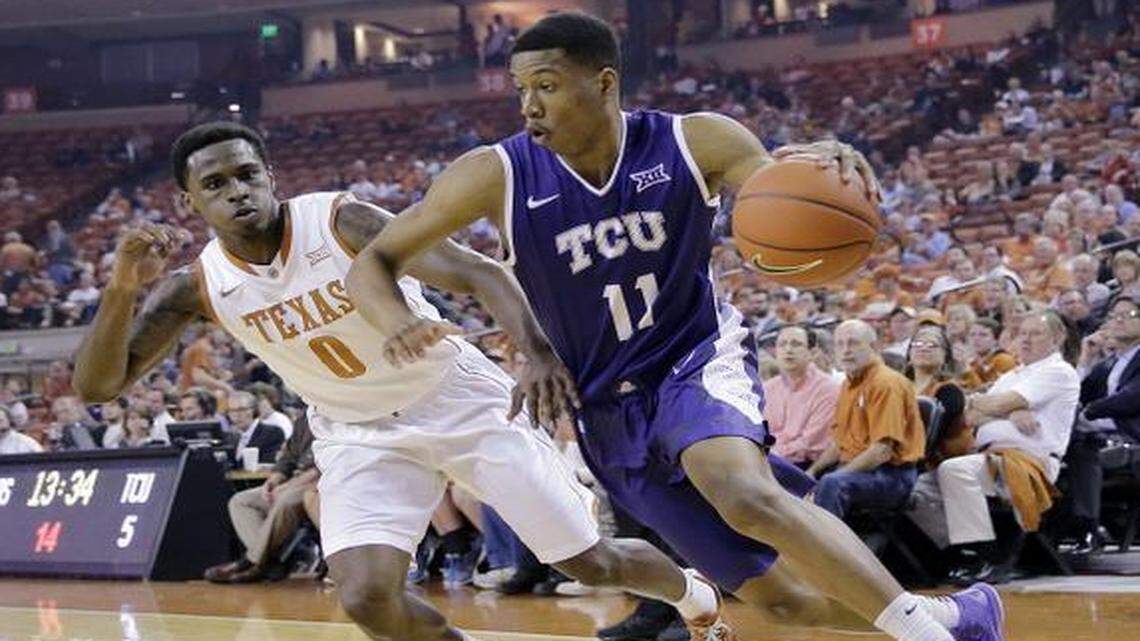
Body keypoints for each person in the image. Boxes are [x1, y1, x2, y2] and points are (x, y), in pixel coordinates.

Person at [354, 12, 1003, 641]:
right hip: (604, 403)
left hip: (693, 356)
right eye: (522, 89)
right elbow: (374, 259)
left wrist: (827, 168)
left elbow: (787, 192)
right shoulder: (496, 173)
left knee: (741, 491)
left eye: (546, 86)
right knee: (782, 601)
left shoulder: (697, 141)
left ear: (604, 83)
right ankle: (955, 617)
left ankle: (926, 635)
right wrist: (408, 323)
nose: (529, 105)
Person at [72, 121, 735, 641]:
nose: (237, 191)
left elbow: (480, 272)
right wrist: (120, 291)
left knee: (590, 562)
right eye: (216, 184)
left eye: (247, 174)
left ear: (270, 175)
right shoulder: (199, 287)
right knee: (366, 595)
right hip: (359, 434)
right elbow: (98, 387)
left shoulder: (338, 221)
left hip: (458, 401)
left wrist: (534, 351)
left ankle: (690, 591)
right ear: (190, 201)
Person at [909, 312, 1080, 584]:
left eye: (1035, 334)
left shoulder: (1058, 371)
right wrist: (1012, 413)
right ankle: (957, 552)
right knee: (917, 489)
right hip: (989, 459)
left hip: (1029, 461)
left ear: (1057, 339)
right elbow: (970, 416)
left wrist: (996, 405)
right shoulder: (1013, 374)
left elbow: (990, 405)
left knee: (954, 470)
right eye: (1022, 333)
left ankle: (985, 555)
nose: (1025, 339)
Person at [806, 321, 925, 520]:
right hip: (861, 469)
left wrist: (836, 474)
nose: (846, 351)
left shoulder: (885, 383)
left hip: (892, 475)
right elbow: (839, 444)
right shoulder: (848, 383)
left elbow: (881, 452)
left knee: (832, 483)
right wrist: (811, 471)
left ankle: (824, 549)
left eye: (853, 343)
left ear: (873, 347)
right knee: (798, 478)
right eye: (840, 344)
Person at [205, 413, 318, 583]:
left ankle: (251, 561)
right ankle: (270, 562)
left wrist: (290, 485)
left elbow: (327, 463)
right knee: (241, 501)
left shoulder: (341, 417)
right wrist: (275, 479)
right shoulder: (304, 418)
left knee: (285, 500)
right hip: (293, 479)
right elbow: (289, 456)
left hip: (319, 484)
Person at [1067, 296, 1140, 555]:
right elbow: (1073, 394)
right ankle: (1046, 531)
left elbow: (1130, 399)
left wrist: (1089, 412)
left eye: (1128, 315)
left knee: (1085, 450)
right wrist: (1086, 357)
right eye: (1114, 316)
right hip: (1101, 436)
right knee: (1067, 446)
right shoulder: (1109, 363)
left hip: (1131, 440)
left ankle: (1088, 528)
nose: (1119, 320)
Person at [762, 325, 839, 469]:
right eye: (782, 345)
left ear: (812, 352)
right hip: (768, 459)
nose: (788, 350)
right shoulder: (767, 388)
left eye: (796, 344)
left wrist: (769, 454)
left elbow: (810, 443)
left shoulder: (828, 388)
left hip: (806, 465)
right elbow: (760, 433)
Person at [225, 390, 284, 464]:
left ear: (254, 410)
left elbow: (268, 463)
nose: (237, 415)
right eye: (232, 411)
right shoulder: (229, 437)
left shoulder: (272, 433)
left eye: (241, 410)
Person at [960, 319, 1017, 390]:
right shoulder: (972, 361)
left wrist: (967, 370)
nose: (976, 339)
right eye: (972, 334)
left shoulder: (1004, 359)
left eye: (983, 335)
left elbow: (990, 392)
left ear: (995, 339)